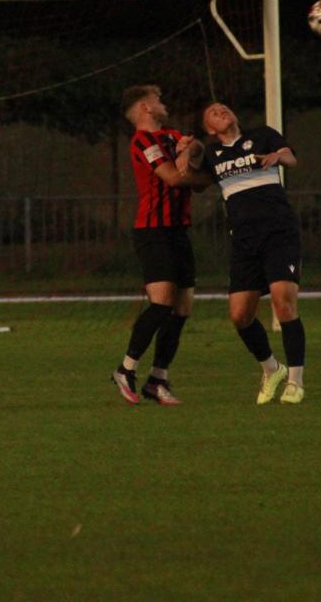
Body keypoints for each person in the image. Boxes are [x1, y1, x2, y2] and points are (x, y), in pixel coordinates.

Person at [177, 101, 306, 404]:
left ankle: (295, 381)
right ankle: (272, 369)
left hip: (279, 233)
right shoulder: (213, 153)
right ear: (210, 129)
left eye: (223, 108)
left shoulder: (262, 136)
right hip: (244, 242)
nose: (221, 111)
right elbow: (194, 177)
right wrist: (187, 150)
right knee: (239, 316)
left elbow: (290, 158)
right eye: (213, 113)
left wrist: (278, 156)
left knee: (283, 302)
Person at [110, 84, 200, 406]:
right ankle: (126, 369)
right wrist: (192, 167)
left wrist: (190, 151)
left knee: (182, 309)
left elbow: (196, 148)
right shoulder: (143, 141)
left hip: (178, 231)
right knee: (161, 303)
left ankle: (157, 380)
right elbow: (173, 177)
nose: (163, 104)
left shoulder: (172, 136)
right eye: (158, 100)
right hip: (153, 231)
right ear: (145, 107)